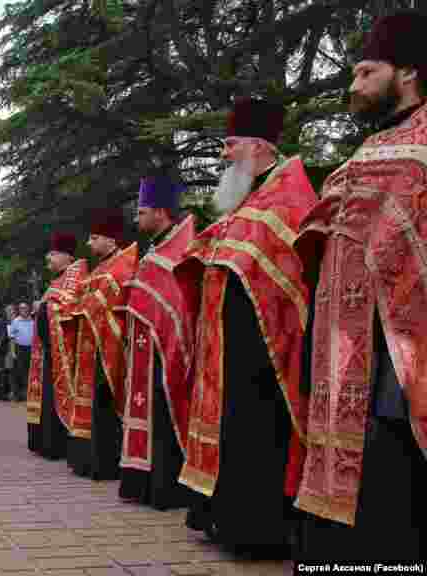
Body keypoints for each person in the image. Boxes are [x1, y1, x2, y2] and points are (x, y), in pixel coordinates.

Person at [292, 11, 427, 561]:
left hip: (403, 348)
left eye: (366, 72)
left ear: (408, 74)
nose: (353, 86)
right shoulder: (378, 146)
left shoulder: (413, 145)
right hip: (354, 344)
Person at [175, 97, 317, 558]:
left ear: (257, 146)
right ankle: (223, 519)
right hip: (229, 349)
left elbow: (291, 274)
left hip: (266, 355)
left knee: (259, 433)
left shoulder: (289, 197)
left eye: (230, 145)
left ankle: (259, 531)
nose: (223, 155)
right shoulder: (250, 201)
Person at [118, 176, 198, 511]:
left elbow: (179, 306)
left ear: (162, 213)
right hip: (144, 353)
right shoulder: (155, 250)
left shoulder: (178, 251)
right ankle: (145, 482)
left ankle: (165, 486)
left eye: (142, 211)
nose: (137, 218)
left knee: (164, 415)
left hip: (165, 354)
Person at [66, 209, 138, 480]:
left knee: (105, 404)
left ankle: (106, 463)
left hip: (111, 346)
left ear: (111, 239)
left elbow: (102, 301)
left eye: (94, 238)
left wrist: (80, 305)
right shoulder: (101, 267)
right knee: (93, 403)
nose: (89, 244)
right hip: (92, 347)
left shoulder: (122, 265)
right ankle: (90, 460)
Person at [27, 232, 89, 460]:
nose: (48, 258)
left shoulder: (75, 278)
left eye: (53, 254)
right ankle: (46, 442)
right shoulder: (58, 280)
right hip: (49, 352)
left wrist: (46, 309)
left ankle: (58, 444)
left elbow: (69, 311)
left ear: (67, 256)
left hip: (64, 354)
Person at [9, 302, 34, 402]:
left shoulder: (33, 321)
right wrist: (13, 352)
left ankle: (28, 394)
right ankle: (18, 395)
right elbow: (12, 338)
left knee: (29, 372)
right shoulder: (15, 321)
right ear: (19, 310)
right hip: (19, 349)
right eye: (21, 308)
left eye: (25, 308)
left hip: (30, 349)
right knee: (19, 372)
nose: (23, 310)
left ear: (28, 309)